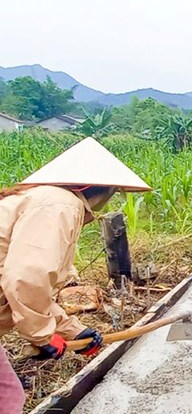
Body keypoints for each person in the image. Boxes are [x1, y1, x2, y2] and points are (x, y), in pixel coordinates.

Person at [0, 137, 151, 412]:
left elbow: (35, 288)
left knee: (7, 394)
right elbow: (26, 278)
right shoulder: (60, 205)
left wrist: (73, 330)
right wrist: (43, 337)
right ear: (100, 189)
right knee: (7, 398)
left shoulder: (48, 199)